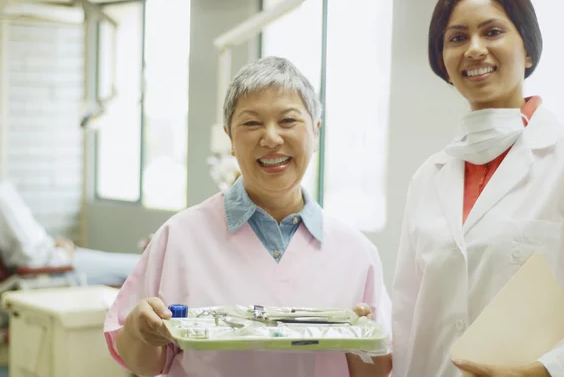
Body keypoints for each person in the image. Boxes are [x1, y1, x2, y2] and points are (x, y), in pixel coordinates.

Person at [104, 56, 392, 377]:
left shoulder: (356, 254)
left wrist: (355, 340)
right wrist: (140, 329)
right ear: (230, 138)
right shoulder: (180, 237)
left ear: (316, 132)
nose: (271, 138)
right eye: (252, 123)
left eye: (288, 121)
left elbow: (377, 372)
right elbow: (142, 363)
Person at [391, 0, 564, 376]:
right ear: (444, 62)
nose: (474, 48)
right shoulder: (427, 179)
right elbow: (405, 317)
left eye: (492, 31)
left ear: (528, 50)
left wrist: (540, 370)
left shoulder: (558, 161)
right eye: (457, 37)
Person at [0, 136, 141, 287]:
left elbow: (26, 246)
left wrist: (56, 246)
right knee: (138, 268)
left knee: (137, 265)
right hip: (57, 271)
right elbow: (29, 260)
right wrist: (64, 252)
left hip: (56, 258)